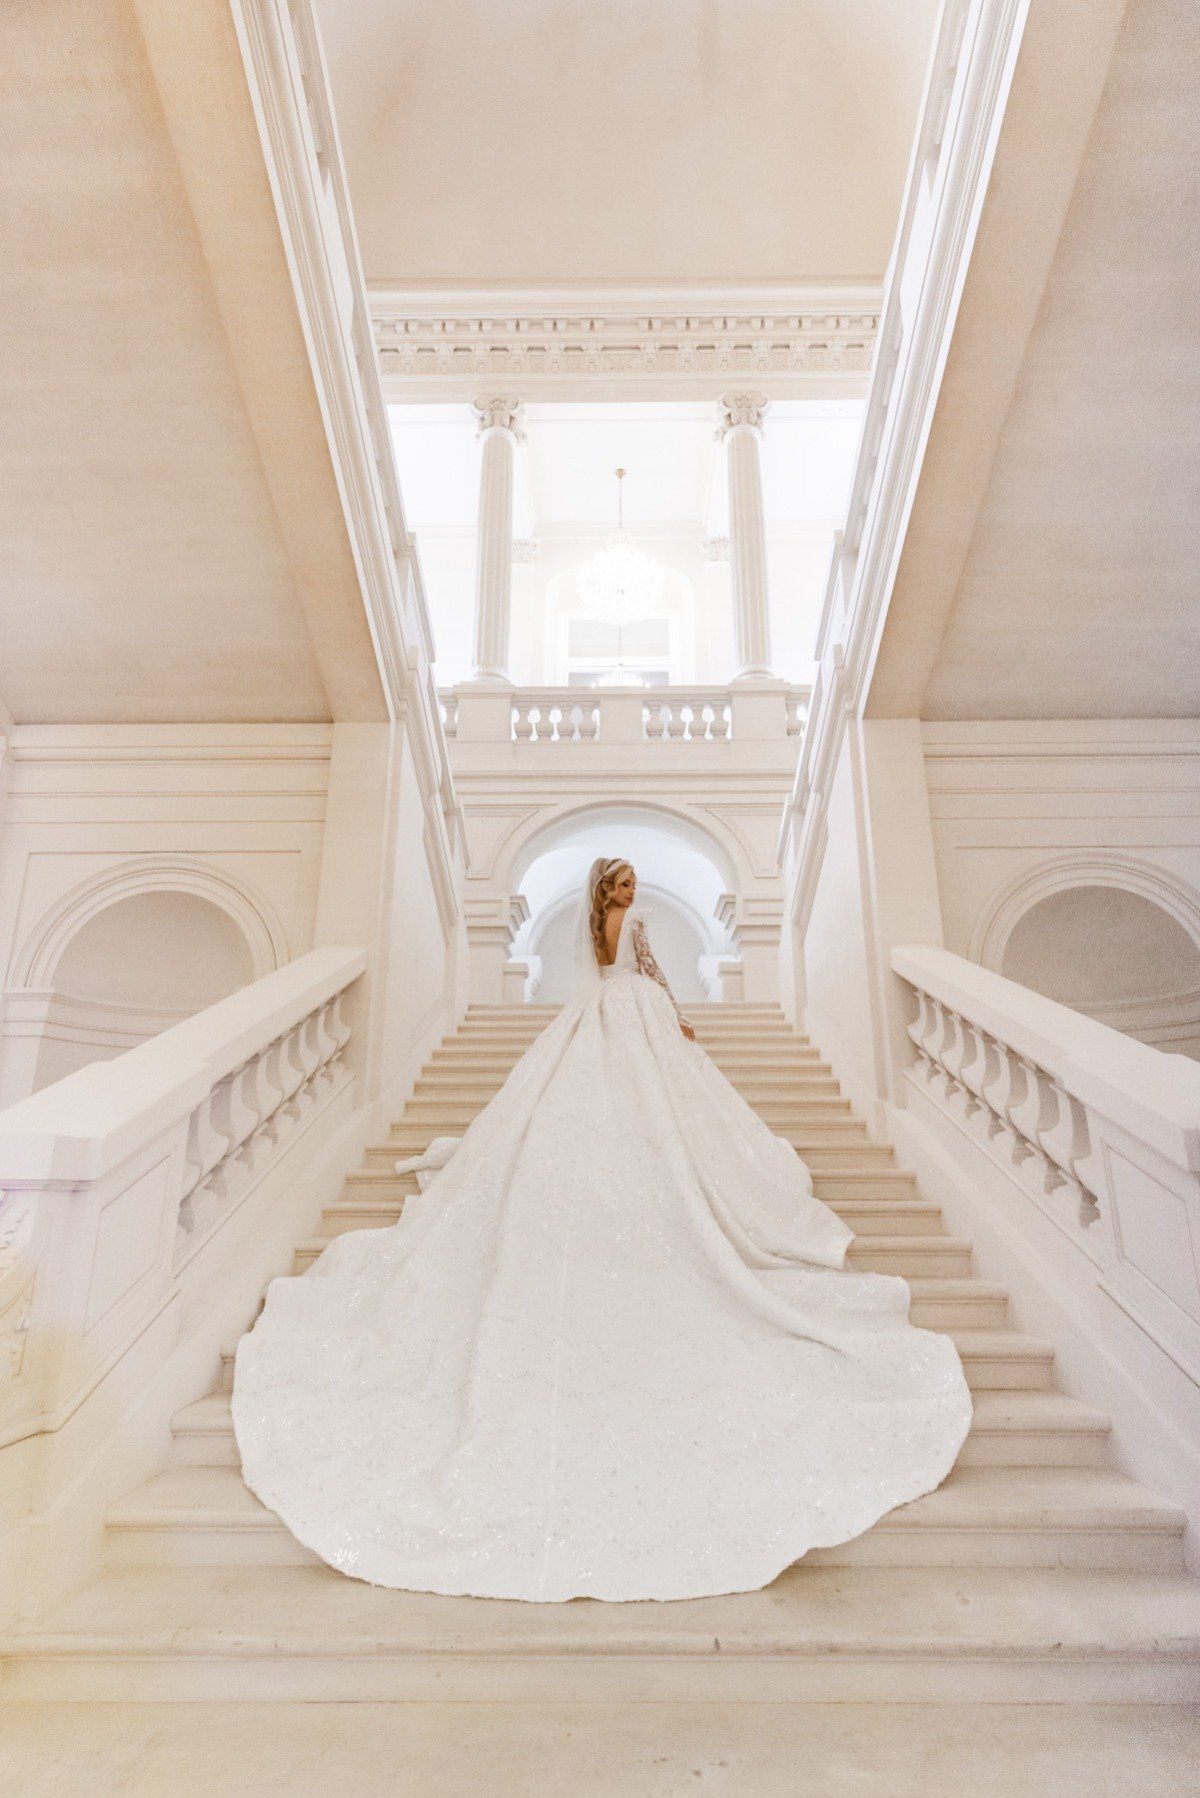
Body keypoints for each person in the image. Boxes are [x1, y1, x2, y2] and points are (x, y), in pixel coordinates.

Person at [231, 856, 972, 1602]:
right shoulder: (629, 927)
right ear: (612, 892)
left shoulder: (600, 928)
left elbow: (622, 969)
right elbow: (644, 972)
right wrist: (672, 1011)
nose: (627, 898)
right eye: (622, 889)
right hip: (632, 1019)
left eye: (629, 890)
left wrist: (657, 998)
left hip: (606, 1021)